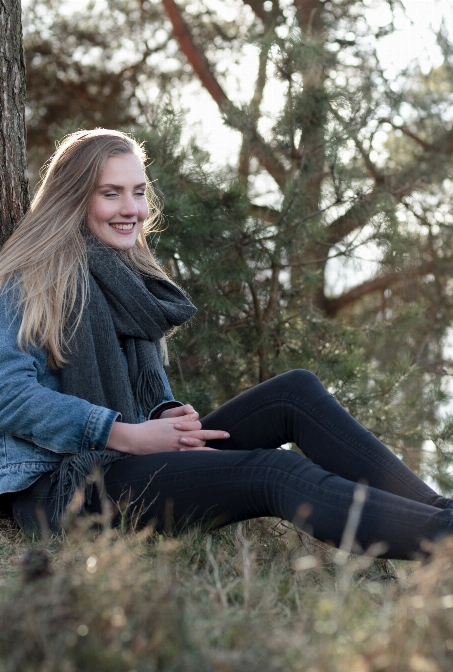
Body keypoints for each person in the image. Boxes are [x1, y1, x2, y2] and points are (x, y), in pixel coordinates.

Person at [1, 129, 453, 560]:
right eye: (110, 193)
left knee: (294, 393)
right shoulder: (32, 278)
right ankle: (443, 539)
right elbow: (10, 395)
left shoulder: (125, 279)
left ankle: (442, 515)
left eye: (138, 192)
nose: (131, 209)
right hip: (63, 489)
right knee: (272, 472)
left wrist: (162, 416)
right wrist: (127, 435)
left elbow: (140, 390)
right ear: (74, 196)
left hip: (126, 458)